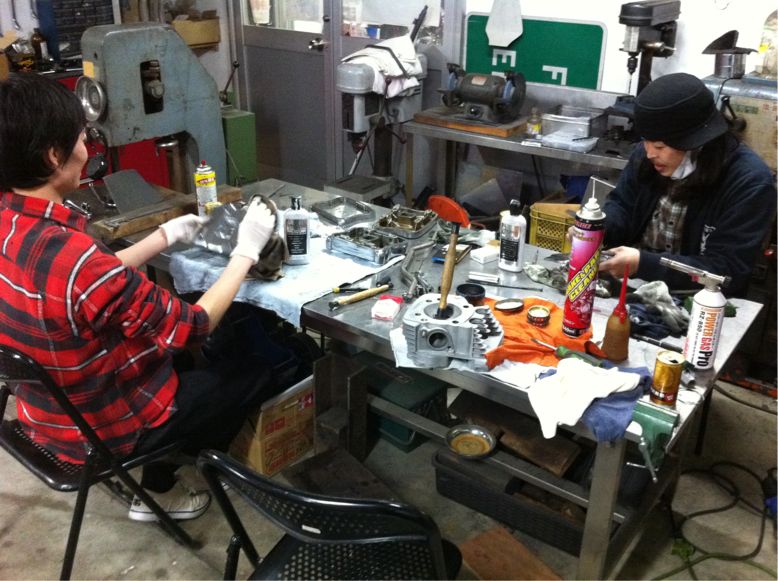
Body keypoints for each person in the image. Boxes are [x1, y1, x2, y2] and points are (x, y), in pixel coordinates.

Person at [0, 73, 277, 522]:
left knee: (182, 356)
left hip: (46, 415)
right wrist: (246, 251)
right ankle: (162, 485)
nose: (86, 147)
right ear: (54, 156)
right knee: (255, 370)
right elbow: (194, 325)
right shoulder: (80, 262)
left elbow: (83, 284)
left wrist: (162, 237)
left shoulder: (12, 225)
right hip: (101, 431)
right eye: (81, 138)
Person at [599, 72, 776, 296]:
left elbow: (727, 271)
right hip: (634, 286)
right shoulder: (645, 157)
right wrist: (598, 230)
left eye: (660, 146)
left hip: (700, 299)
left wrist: (644, 263)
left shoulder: (748, 183)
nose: (650, 153)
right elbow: (623, 205)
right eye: (646, 141)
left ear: (696, 142)